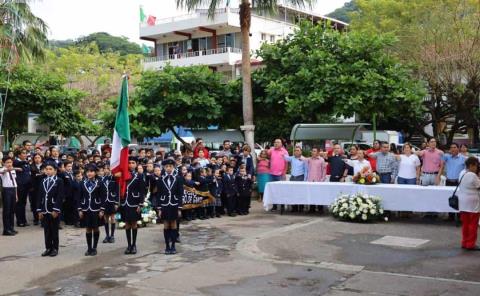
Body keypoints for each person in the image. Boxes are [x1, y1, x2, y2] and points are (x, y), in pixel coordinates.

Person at [155, 159, 184, 255]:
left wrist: (180, 207)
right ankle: (167, 246)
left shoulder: (178, 178)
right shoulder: (160, 179)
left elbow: (180, 194)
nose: (168, 168)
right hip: (164, 205)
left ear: (173, 167)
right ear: (164, 167)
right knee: (166, 225)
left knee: (174, 224)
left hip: (174, 205)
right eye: (166, 166)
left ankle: (173, 246)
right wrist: (159, 208)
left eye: (170, 166)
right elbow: (158, 194)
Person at [37, 161, 64, 257]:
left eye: (50, 169)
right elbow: (40, 196)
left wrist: (56, 209)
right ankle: (48, 247)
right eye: (46, 169)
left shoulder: (59, 181)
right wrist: (39, 210)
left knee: (54, 230)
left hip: (53, 209)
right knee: (47, 230)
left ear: (55, 171)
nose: (48, 171)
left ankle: (55, 248)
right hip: (44, 209)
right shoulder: (43, 181)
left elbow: (60, 196)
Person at [120, 157, 146, 255]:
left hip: (134, 203)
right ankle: (129, 245)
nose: (131, 164)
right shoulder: (123, 175)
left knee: (134, 224)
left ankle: (134, 245)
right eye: (129, 163)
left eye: (133, 163)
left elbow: (142, 191)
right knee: (127, 224)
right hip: (125, 203)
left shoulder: (139, 176)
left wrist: (140, 203)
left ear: (136, 164)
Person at [78, 164, 105, 256]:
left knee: (95, 227)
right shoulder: (82, 183)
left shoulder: (100, 183)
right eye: (87, 171)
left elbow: (103, 197)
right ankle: (89, 248)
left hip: (96, 208)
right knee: (88, 228)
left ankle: (94, 247)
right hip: (85, 209)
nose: (89, 173)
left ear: (95, 172)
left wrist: (102, 209)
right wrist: (80, 209)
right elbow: (79, 197)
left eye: (91, 171)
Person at [457, 157, 480, 250]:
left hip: (462, 202)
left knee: (465, 224)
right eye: (476, 165)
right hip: (472, 203)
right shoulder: (473, 175)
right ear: (471, 165)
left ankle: (464, 242)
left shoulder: (462, 173)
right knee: (473, 224)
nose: (477, 167)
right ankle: (470, 244)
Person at [284, 146, 308, 212]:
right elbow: (285, 157)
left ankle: (301, 208)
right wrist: (282, 149)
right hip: (293, 177)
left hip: (300, 177)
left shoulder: (304, 159)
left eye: (298, 150)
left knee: (300, 194)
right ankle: (294, 208)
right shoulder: (292, 158)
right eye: (295, 150)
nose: (296, 152)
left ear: (301, 152)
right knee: (293, 193)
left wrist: (305, 180)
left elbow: (306, 170)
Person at [268, 139, 288, 211]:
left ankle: (282, 206)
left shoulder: (284, 152)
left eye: (278, 142)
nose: (276, 143)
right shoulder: (272, 150)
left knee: (281, 190)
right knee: (273, 191)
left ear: (281, 144)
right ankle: (274, 206)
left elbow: (286, 163)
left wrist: (284, 173)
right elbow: (265, 154)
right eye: (275, 142)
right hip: (271, 173)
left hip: (280, 174)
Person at [14, 149, 32, 227]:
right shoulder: (16, 162)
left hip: (26, 186)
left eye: (26, 153)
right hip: (20, 186)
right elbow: (17, 163)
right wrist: (27, 161)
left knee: (23, 203)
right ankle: (20, 221)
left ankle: (24, 220)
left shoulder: (25, 162)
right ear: (19, 155)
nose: (25, 155)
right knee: (19, 204)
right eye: (23, 153)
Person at [1, 157, 18, 236]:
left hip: (13, 190)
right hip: (6, 190)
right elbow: (4, 171)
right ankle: (6, 229)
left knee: (12, 210)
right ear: (3, 163)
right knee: (7, 211)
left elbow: (14, 182)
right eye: (7, 162)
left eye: (11, 162)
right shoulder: (2, 169)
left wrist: (16, 194)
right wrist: (9, 168)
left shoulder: (12, 170)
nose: (9, 164)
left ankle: (11, 228)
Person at [102, 167, 119, 244]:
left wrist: (116, 202)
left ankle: (112, 235)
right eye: (104, 169)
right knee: (105, 218)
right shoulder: (101, 179)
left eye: (108, 169)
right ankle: (107, 235)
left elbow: (117, 190)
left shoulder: (114, 178)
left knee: (112, 217)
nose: (106, 170)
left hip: (112, 200)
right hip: (104, 201)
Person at [30, 153, 45, 225]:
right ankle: (36, 218)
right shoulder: (31, 166)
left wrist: (41, 174)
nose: (37, 159)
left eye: (39, 157)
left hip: (44, 187)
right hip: (34, 188)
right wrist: (39, 174)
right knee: (34, 203)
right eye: (35, 158)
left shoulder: (45, 165)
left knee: (43, 202)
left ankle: (43, 219)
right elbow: (32, 176)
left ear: (41, 158)